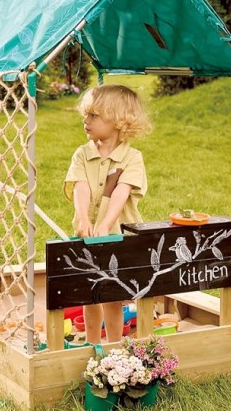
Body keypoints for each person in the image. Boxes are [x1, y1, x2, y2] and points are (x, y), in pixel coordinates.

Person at [63, 84, 151, 345]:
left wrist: (105, 224)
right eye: (85, 115)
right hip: (87, 234)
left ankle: (114, 344)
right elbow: (80, 187)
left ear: (116, 121)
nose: (85, 121)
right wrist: (83, 219)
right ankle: (92, 345)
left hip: (118, 237)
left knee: (113, 296)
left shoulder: (132, 158)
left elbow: (121, 192)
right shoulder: (82, 153)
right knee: (90, 294)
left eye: (93, 116)